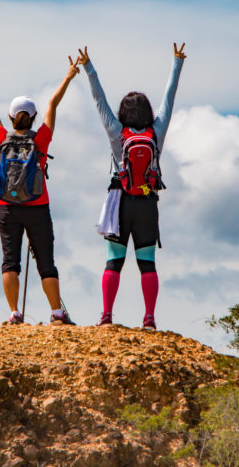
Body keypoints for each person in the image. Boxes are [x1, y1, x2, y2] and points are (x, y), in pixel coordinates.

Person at [0, 56, 80, 325]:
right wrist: (69, 76)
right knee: (46, 262)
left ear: (11, 117)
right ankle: (57, 314)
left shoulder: (1, 137)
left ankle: (15, 313)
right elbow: (53, 103)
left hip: (7, 208)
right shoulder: (41, 139)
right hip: (38, 206)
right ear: (33, 117)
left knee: (10, 262)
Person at [77, 43, 186, 329]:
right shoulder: (156, 132)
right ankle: (149, 319)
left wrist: (88, 67)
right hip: (148, 202)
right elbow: (169, 99)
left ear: (123, 112)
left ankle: (106, 317)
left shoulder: (116, 133)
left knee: (113, 262)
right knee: (146, 263)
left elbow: (98, 100)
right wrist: (177, 63)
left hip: (119, 201)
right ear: (147, 111)